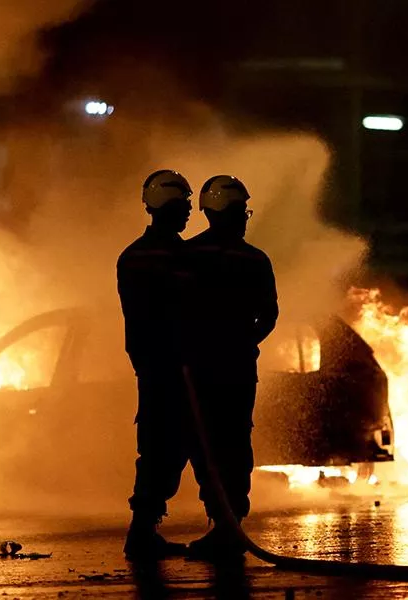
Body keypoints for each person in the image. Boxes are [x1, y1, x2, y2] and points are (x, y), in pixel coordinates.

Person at [181, 175, 278, 559]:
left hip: (199, 368)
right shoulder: (255, 259)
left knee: (204, 443)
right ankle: (230, 522)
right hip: (237, 368)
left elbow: (172, 309)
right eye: (241, 210)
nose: (244, 218)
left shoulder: (186, 256)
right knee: (235, 442)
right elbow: (268, 316)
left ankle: (223, 524)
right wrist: (243, 342)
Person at [117, 169, 195, 560]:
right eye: (184, 205)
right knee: (178, 447)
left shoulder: (131, 256)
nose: (188, 213)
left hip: (150, 367)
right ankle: (144, 532)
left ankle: (143, 528)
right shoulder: (182, 257)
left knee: (156, 449)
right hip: (178, 367)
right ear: (167, 207)